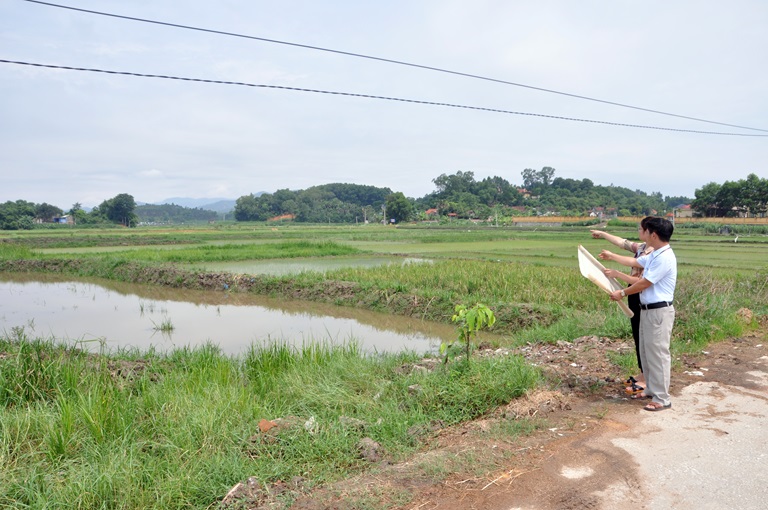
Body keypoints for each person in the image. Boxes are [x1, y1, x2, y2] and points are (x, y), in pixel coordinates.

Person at [599, 217, 677, 412]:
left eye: (645, 230)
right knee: (646, 353)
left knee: (658, 355)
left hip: (659, 311)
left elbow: (644, 283)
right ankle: (651, 388)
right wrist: (614, 262)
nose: (641, 233)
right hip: (648, 310)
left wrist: (622, 293)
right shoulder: (655, 254)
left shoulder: (664, 257)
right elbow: (635, 261)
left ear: (654, 234)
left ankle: (662, 398)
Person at [590, 218, 654, 395]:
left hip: (643, 297)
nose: (639, 231)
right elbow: (622, 243)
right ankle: (643, 374)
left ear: (650, 232)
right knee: (638, 337)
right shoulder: (641, 248)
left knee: (645, 339)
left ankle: (647, 379)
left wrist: (617, 273)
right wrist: (602, 234)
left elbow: (642, 282)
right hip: (634, 296)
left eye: (641, 229)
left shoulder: (652, 253)